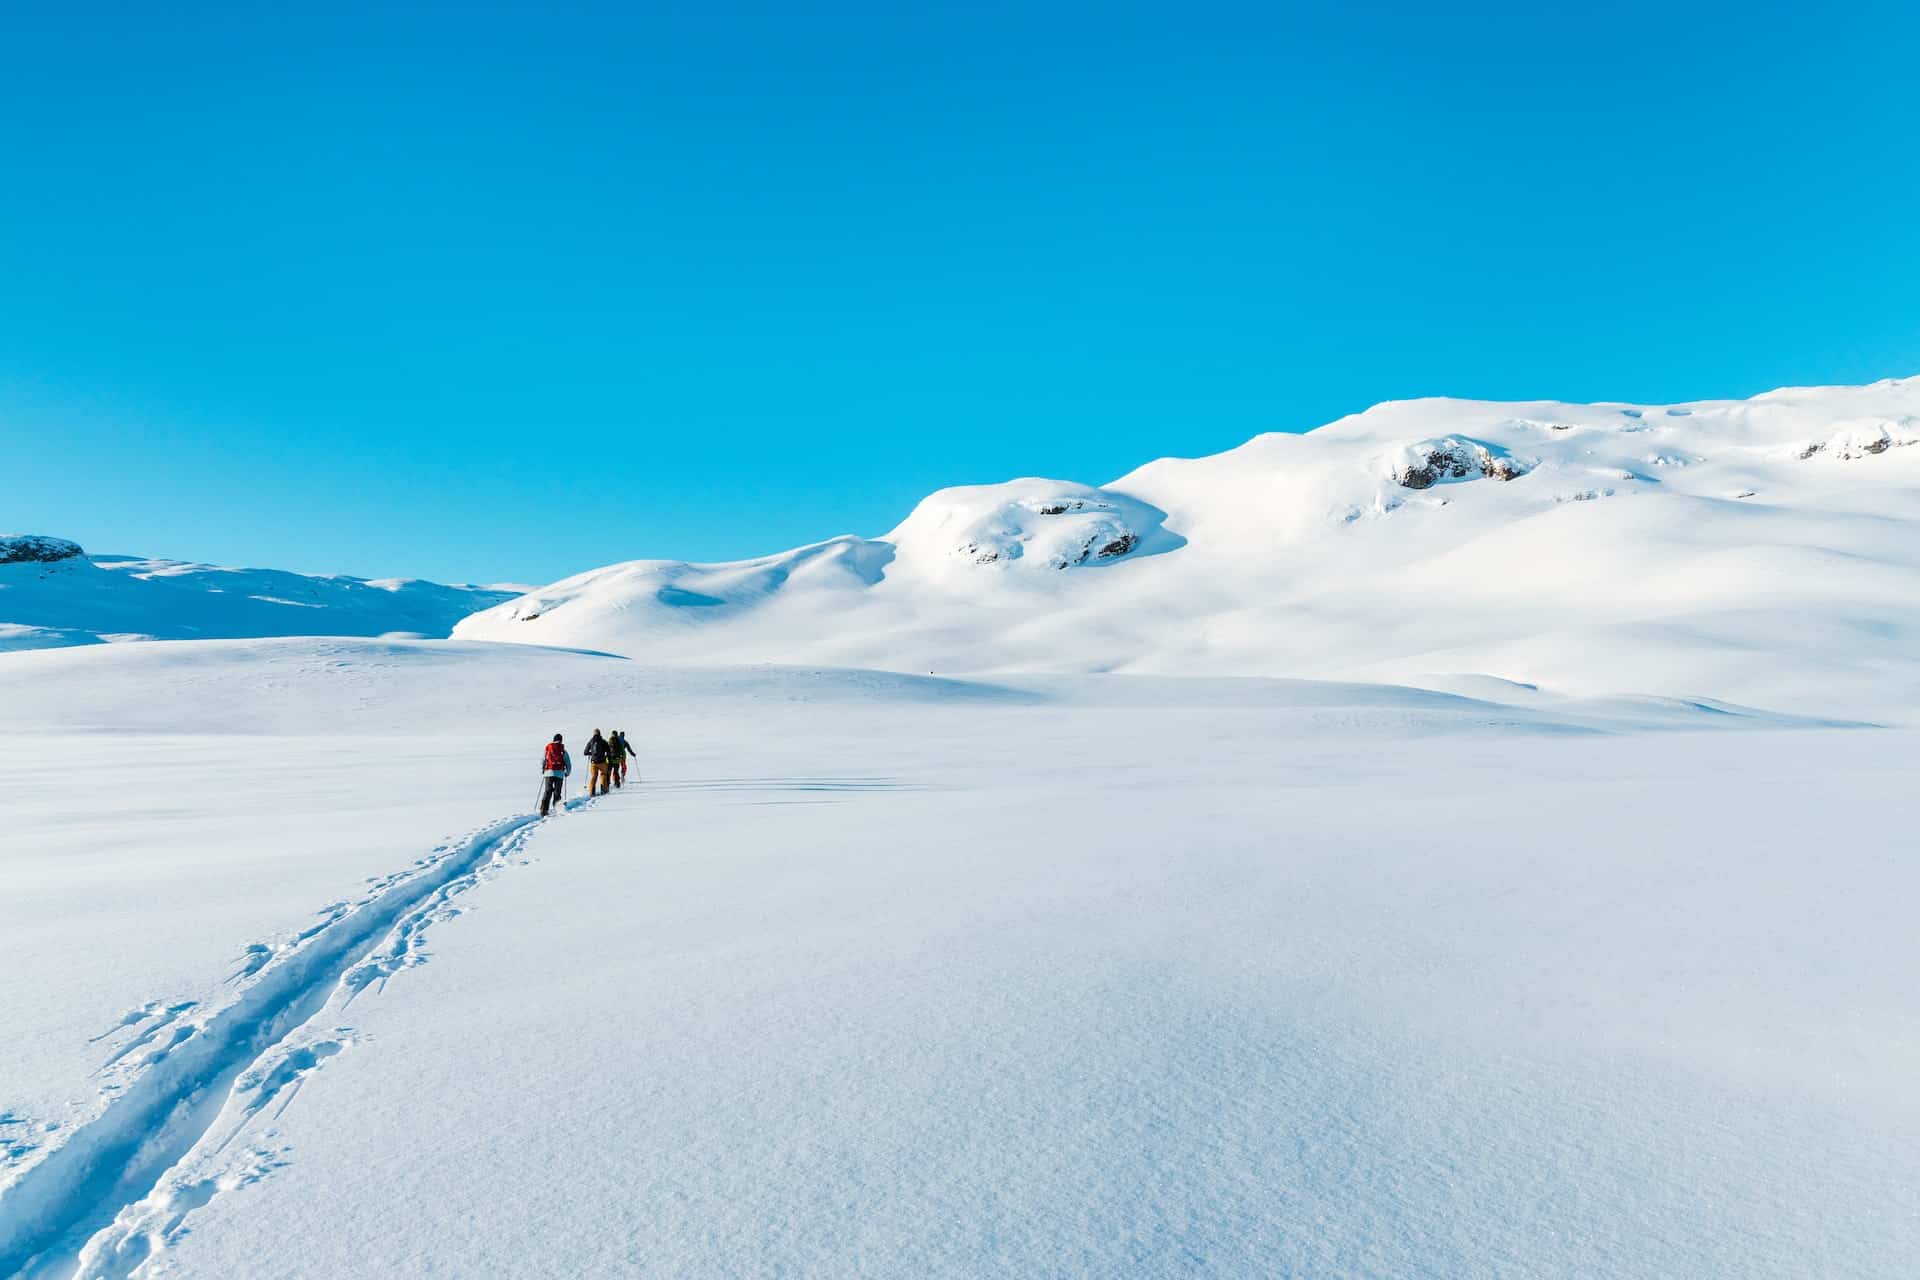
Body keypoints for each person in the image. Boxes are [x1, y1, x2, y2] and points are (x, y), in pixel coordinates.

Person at [539, 733, 571, 816]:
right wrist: (567, 773)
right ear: (561, 740)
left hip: (548, 772)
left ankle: (543, 810)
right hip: (559, 773)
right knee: (557, 792)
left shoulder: (548, 748)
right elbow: (568, 762)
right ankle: (556, 809)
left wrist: (543, 769)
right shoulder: (563, 750)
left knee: (547, 791)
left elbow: (543, 759)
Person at [583, 728, 611, 796]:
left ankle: (592, 792)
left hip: (594, 763)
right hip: (602, 762)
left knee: (593, 777)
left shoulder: (591, 741)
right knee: (603, 775)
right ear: (600, 733)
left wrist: (591, 753)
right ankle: (603, 790)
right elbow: (608, 751)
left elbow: (585, 752)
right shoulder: (603, 741)